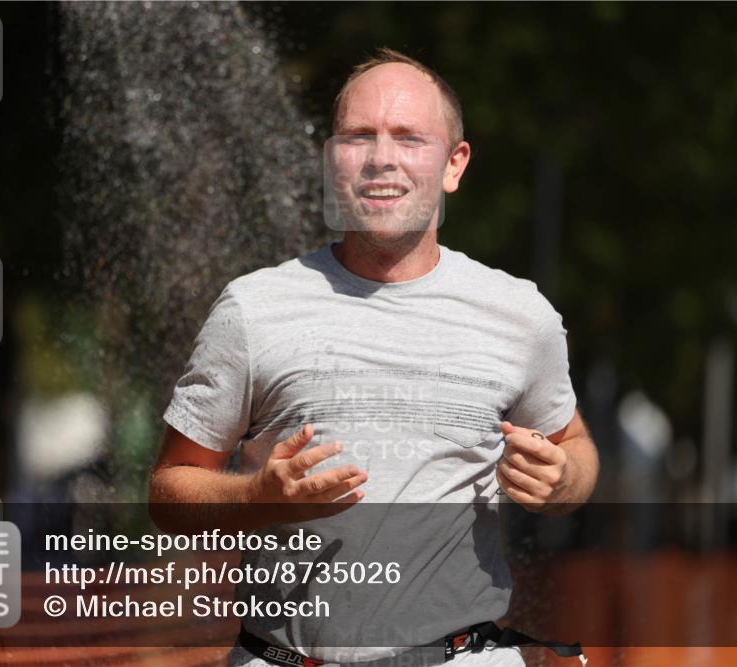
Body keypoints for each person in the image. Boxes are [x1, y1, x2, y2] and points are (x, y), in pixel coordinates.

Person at [150, 48, 599, 667]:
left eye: (410, 138)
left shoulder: (520, 315)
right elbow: (167, 491)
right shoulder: (253, 309)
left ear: (453, 164)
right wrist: (258, 495)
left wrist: (562, 479)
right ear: (332, 160)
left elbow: (573, 447)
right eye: (359, 137)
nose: (382, 157)